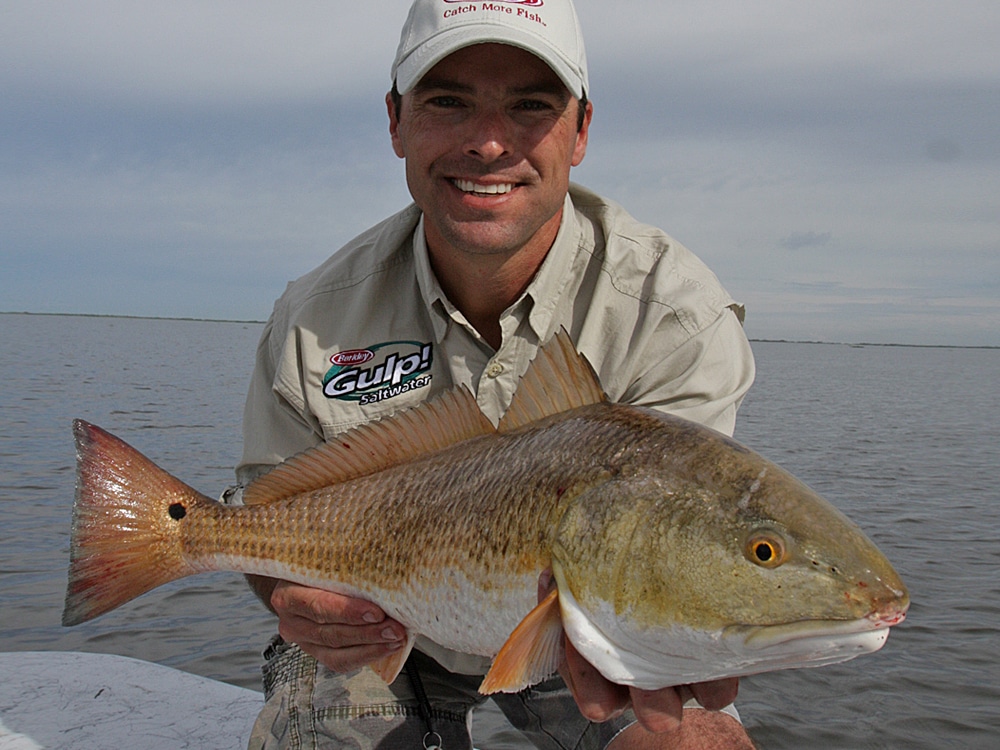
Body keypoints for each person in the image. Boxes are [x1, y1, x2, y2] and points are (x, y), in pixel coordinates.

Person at [232, 1, 757, 748]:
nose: (487, 143)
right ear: (396, 122)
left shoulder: (672, 316)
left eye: (531, 106)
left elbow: (680, 543)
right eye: (447, 101)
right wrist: (291, 595)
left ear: (580, 132)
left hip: (585, 634)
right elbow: (263, 525)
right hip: (378, 629)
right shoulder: (316, 315)